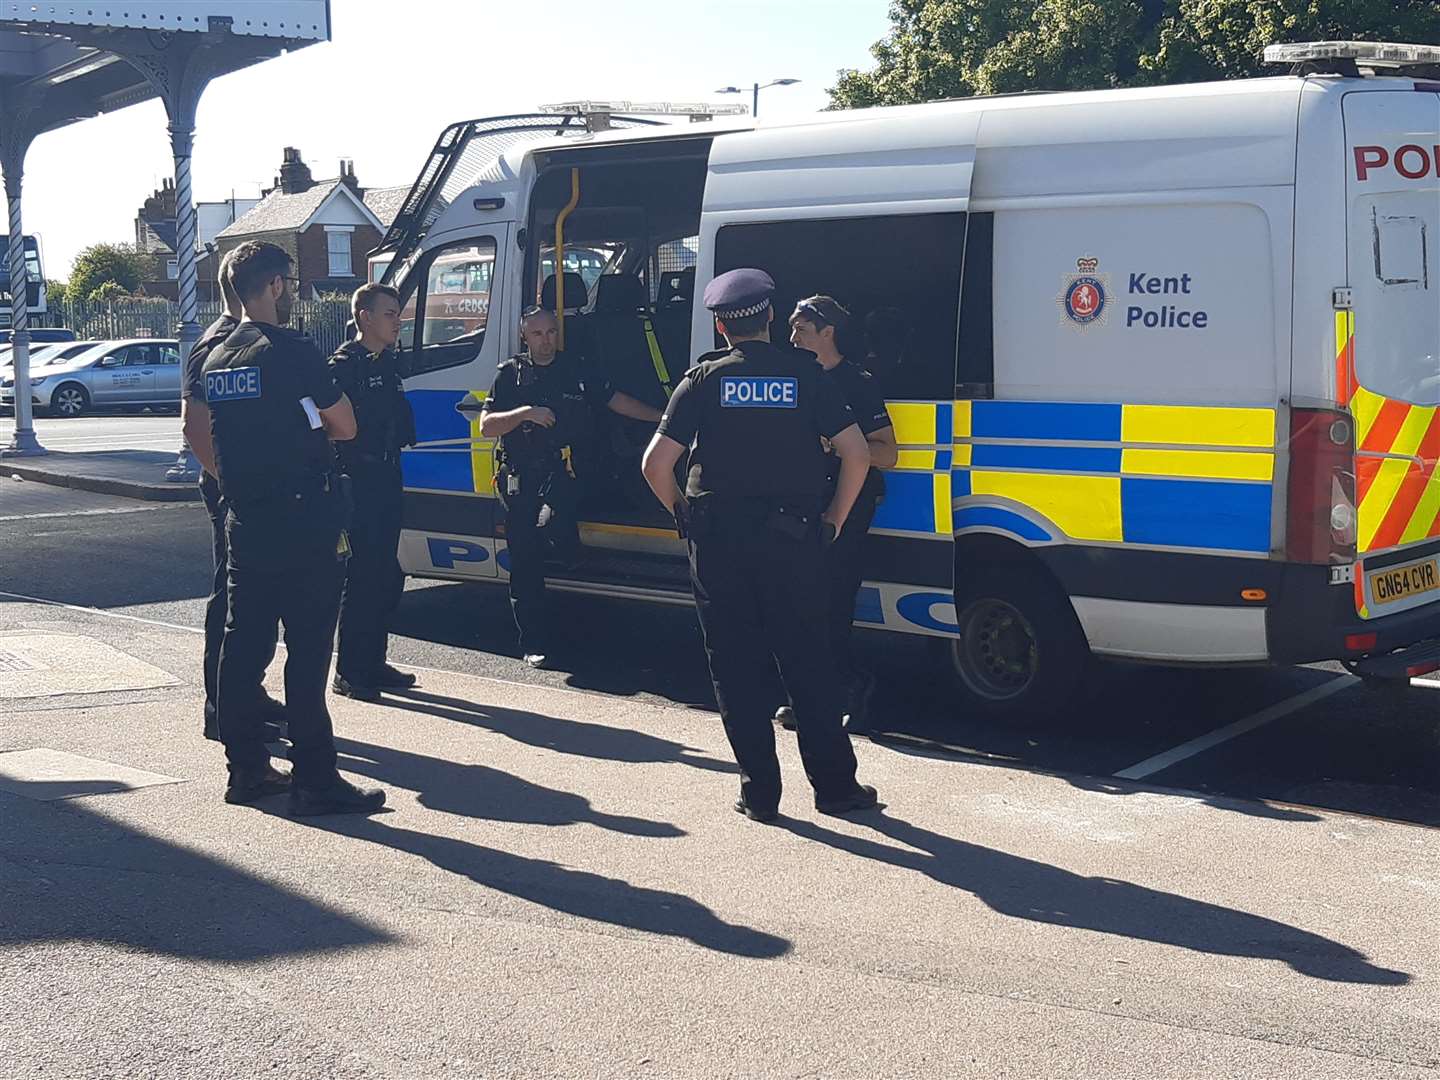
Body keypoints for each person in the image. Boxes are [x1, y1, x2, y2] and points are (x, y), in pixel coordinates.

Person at [640, 268, 879, 823]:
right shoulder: (808, 378)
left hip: (719, 546)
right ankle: (836, 789)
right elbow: (859, 455)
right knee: (808, 665)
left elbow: (656, 464)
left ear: (721, 326)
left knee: (736, 669)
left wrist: (684, 515)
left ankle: (761, 794)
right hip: (794, 542)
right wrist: (833, 520)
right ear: (770, 317)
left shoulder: (702, 381)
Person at [196, 239, 385, 816]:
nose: (293, 294)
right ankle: (316, 778)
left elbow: (199, 431)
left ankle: (246, 770)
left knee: (243, 647)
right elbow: (346, 424)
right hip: (304, 519)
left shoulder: (213, 356)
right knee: (306, 653)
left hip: (245, 519)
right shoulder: (292, 350)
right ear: (274, 286)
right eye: (289, 284)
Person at [480, 306, 659, 669]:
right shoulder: (510, 376)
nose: (546, 341)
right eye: (537, 334)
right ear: (524, 337)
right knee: (525, 562)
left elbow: (616, 401)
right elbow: (487, 426)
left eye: (551, 333)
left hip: (566, 472)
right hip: (520, 477)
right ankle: (533, 642)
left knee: (553, 525)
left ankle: (573, 565)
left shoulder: (576, 368)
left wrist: (664, 417)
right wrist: (524, 414)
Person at [779, 295, 898, 735]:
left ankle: (850, 689)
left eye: (802, 331)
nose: (792, 339)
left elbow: (889, 453)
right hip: (802, 502)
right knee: (799, 604)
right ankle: (809, 698)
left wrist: (842, 446)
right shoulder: (794, 377)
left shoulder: (857, 382)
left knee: (832, 604)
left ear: (828, 333)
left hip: (848, 505)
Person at [181, 249, 284, 744]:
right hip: (233, 491)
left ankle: (249, 696)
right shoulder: (218, 343)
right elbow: (194, 426)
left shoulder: (240, 338)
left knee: (256, 602)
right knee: (231, 602)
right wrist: (229, 482)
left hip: (252, 488)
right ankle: (222, 707)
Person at [328, 283, 419, 702]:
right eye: (389, 314)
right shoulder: (344, 366)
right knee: (361, 576)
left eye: (398, 313)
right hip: (358, 480)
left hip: (387, 474)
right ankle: (349, 670)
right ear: (365, 317)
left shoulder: (387, 362)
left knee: (385, 574)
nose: (397, 321)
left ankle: (373, 661)